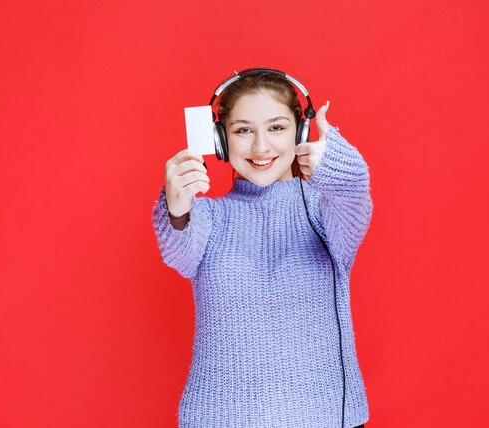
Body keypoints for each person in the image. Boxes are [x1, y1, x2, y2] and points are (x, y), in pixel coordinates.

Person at [152, 70, 373, 428]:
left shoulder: (324, 211)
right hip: (220, 419)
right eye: (243, 130)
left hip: (326, 418)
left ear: (301, 132)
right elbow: (178, 251)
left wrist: (337, 164)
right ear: (220, 139)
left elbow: (353, 198)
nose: (260, 147)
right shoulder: (207, 215)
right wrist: (176, 206)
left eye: (276, 128)